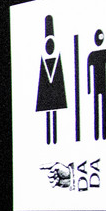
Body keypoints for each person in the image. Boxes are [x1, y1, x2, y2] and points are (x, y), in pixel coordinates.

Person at [35, 14, 69, 144]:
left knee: (54, 115)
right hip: (46, 91)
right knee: (48, 115)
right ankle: (49, 140)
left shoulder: (57, 58)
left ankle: (54, 139)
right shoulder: (43, 60)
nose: (50, 48)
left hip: (55, 91)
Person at [85, 29, 106, 140]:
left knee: (103, 106)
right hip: (96, 86)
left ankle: (104, 133)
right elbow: (88, 73)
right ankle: (97, 134)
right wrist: (89, 89)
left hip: (103, 85)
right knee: (96, 107)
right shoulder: (92, 55)